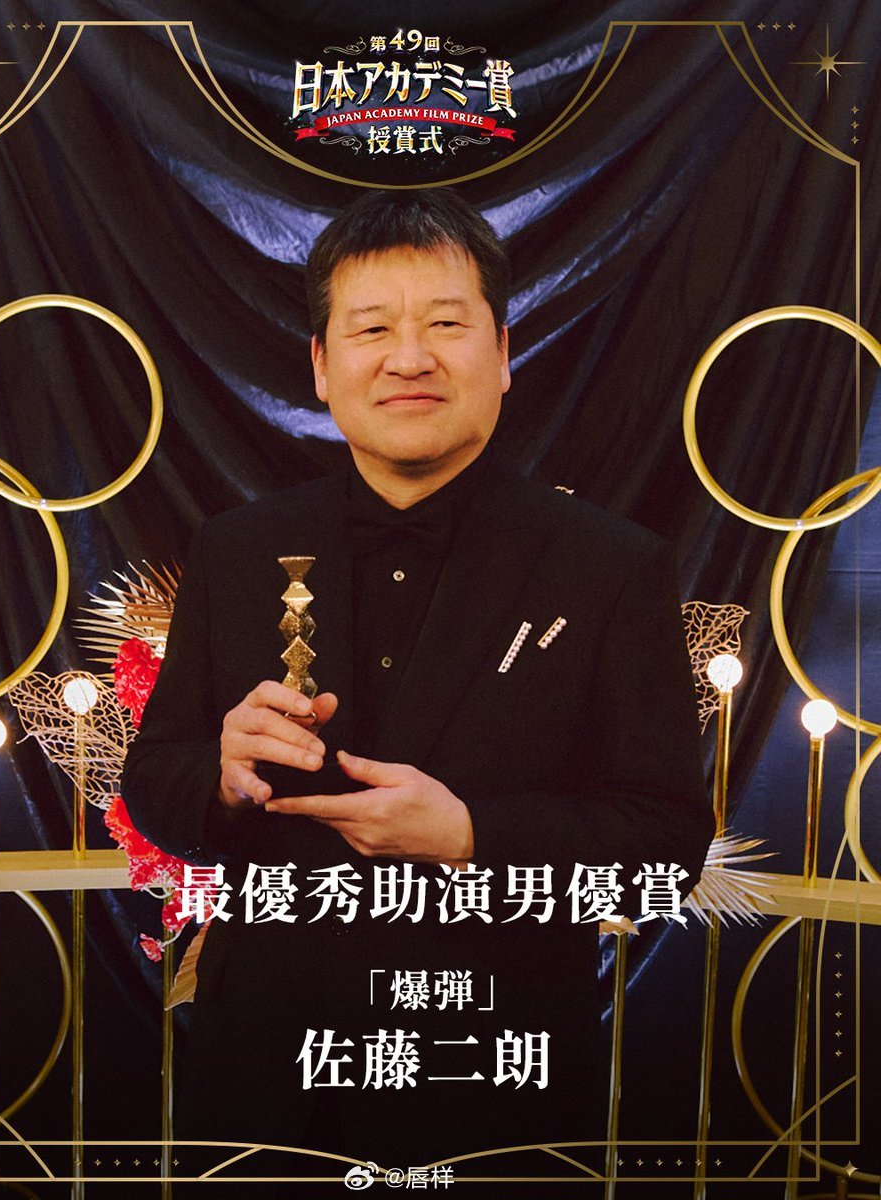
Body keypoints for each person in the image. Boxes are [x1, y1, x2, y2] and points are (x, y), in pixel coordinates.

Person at [122, 188, 713, 1184]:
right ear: (322, 365)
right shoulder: (237, 550)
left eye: (445, 324)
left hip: (501, 1073)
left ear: (503, 352)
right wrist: (220, 775)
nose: (409, 358)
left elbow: (664, 843)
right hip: (269, 1071)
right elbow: (154, 784)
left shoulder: (612, 567)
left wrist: (471, 836)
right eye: (372, 329)